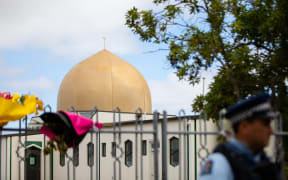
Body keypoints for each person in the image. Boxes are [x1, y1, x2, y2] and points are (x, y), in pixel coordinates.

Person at [199, 93, 282, 180]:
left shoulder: (263, 162)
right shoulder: (220, 164)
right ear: (244, 126)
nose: (271, 130)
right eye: (266, 123)